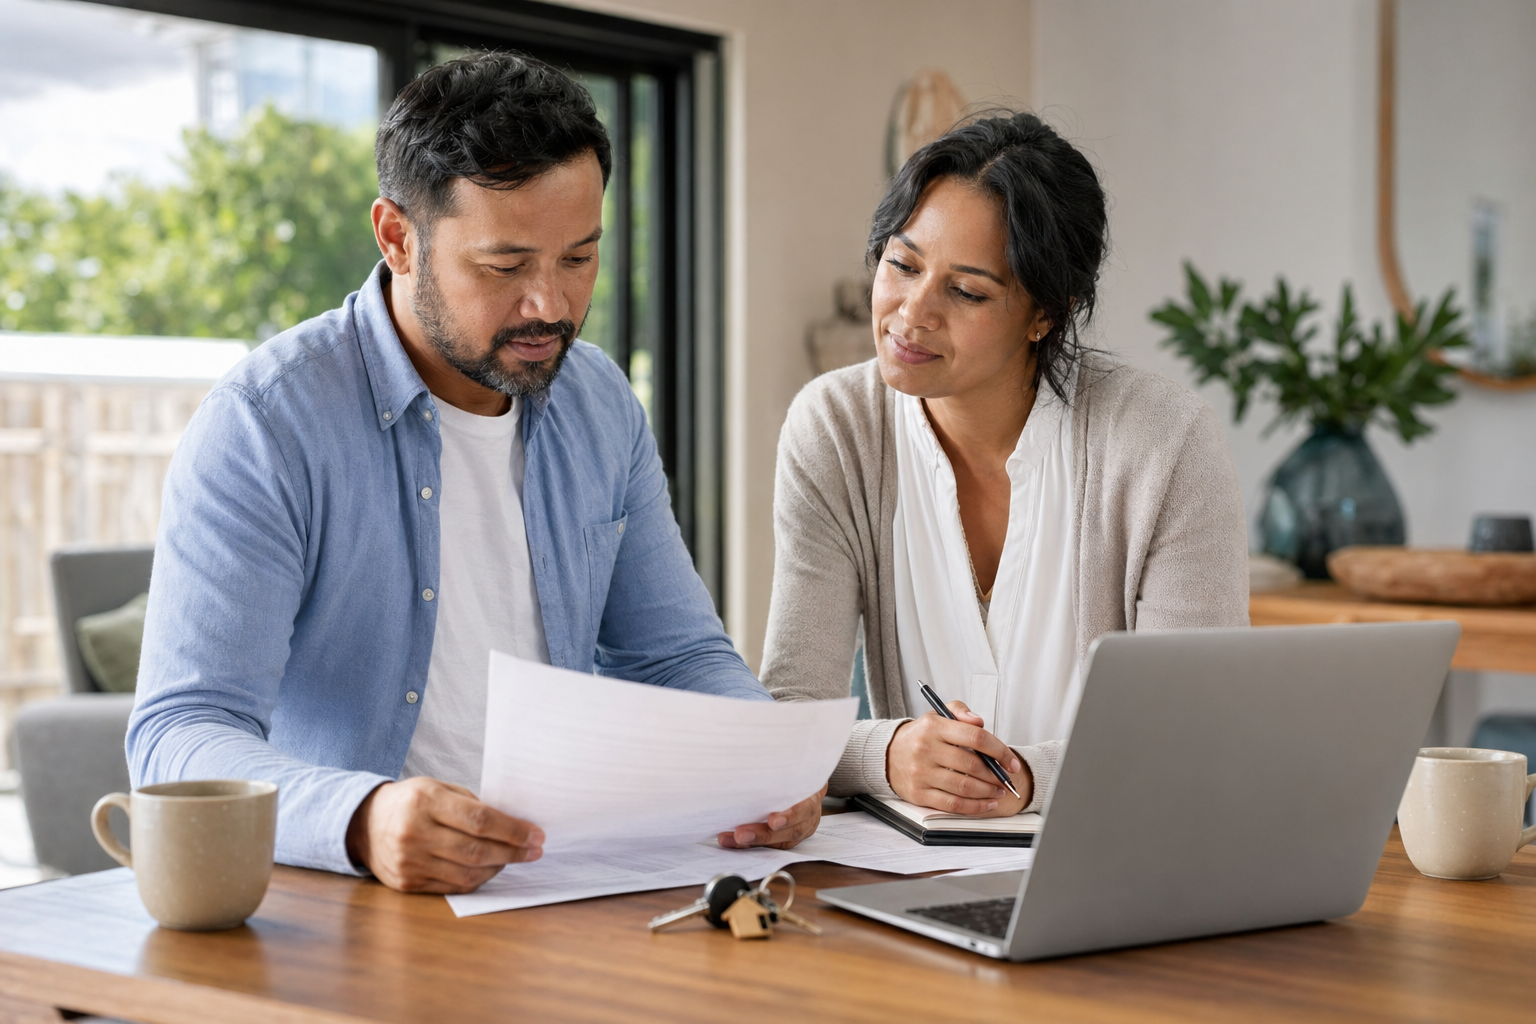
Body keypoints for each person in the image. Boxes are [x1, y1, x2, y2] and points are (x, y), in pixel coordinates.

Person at [129, 52, 819, 895]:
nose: (551, 307)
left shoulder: (599, 400)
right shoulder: (267, 423)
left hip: (573, 884)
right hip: (354, 902)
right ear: (397, 237)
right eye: (506, 266)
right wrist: (363, 818)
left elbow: (675, 656)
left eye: (579, 259)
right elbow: (180, 732)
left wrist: (761, 758)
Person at [758, 111, 1248, 820]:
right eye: (902, 264)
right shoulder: (835, 426)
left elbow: (1194, 731)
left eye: (968, 291)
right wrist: (888, 754)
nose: (911, 314)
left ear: (1046, 313)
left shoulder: (1164, 442)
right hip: (906, 877)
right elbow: (789, 719)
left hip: (1118, 860)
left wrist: (1023, 776)